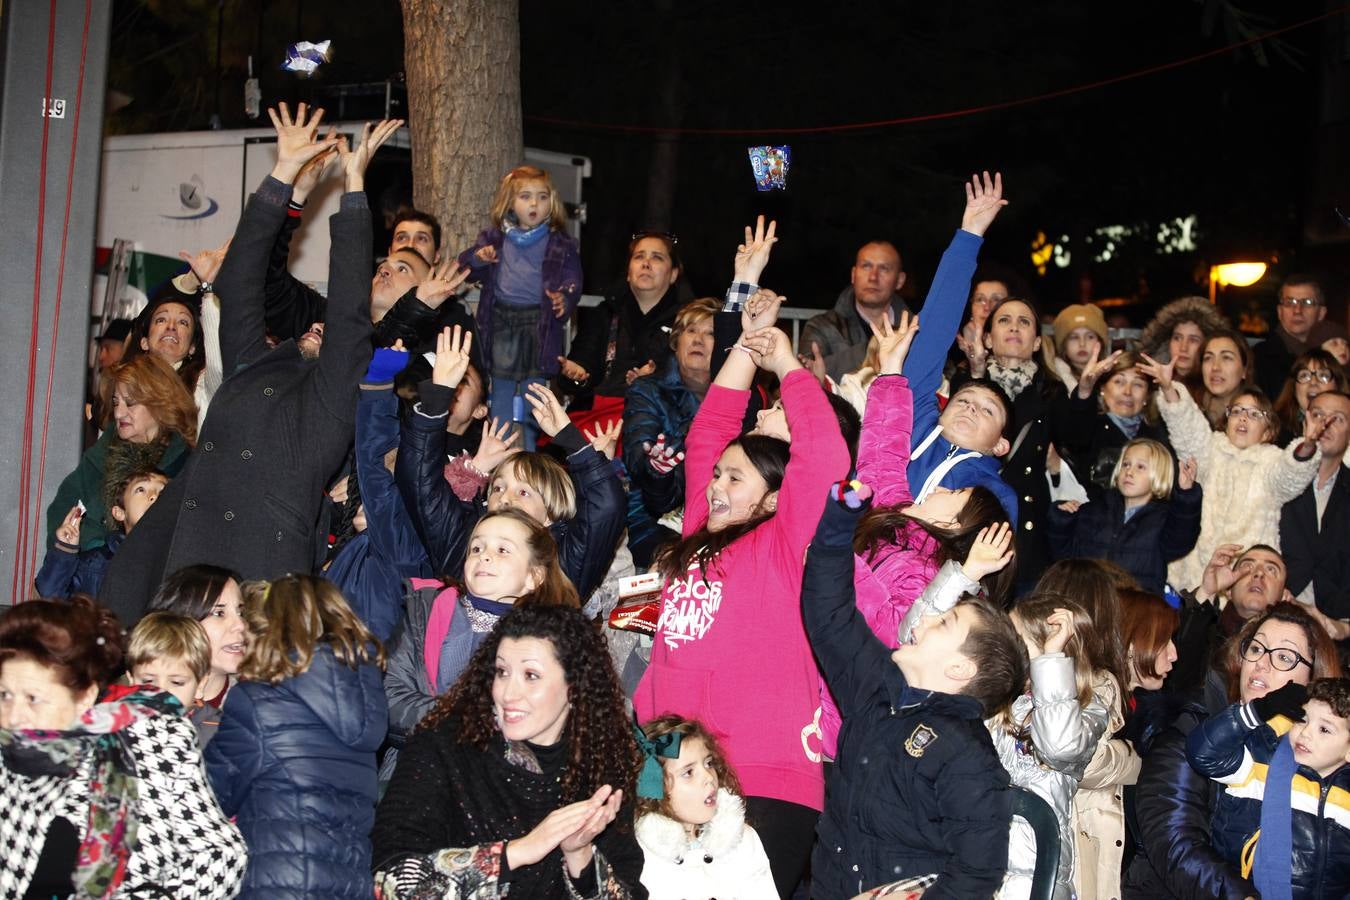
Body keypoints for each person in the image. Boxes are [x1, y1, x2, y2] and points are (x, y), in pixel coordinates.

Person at [98, 106, 400, 624]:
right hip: (181, 557)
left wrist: (354, 189)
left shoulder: (331, 398)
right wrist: (282, 173)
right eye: (313, 325)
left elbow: (350, 312)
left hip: (259, 567)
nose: (319, 327)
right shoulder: (254, 366)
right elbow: (239, 281)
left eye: (327, 332)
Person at [633, 288, 848, 896]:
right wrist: (746, 350)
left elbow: (825, 457)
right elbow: (709, 431)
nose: (716, 487)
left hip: (764, 773)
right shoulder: (699, 536)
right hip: (670, 770)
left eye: (735, 478)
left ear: (774, 498)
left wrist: (784, 363)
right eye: (716, 476)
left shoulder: (784, 541)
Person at [801, 479, 1028, 899]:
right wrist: (839, 519)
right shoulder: (876, 689)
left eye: (943, 623)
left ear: (959, 668)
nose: (922, 620)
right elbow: (829, 612)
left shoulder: (967, 755)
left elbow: (977, 874)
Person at [818, 311, 1014, 759]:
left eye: (954, 494)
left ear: (954, 525)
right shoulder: (897, 519)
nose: (939, 489)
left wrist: (834, 552)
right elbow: (882, 453)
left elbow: (897, 633)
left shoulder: (921, 567)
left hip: (835, 722)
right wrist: (890, 370)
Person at [372, 605, 646, 897]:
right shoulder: (443, 746)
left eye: (531, 675)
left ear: (574, 687)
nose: (508, 693)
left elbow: (628, 886)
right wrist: (518, 852)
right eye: (502, 672)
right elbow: (389, 880)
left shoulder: (600, 766)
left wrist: (579, 854)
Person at [0, 595, 246, 898]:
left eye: (33, 698)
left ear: (85, 697)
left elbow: (222, 856)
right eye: (4, 695)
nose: (14, 715)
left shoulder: (152, 741)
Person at [1124, 602, 1341, 898]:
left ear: (1314, 679)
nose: (1262, 663)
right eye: (1256, 649)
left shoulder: (1325, 755)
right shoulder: (1191, 728)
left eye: (1283, 657)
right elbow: (1175, 843)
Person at [395, 325, 625, 602]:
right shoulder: (462, 543)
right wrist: (437, 398)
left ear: (550, 514)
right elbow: (418, 481)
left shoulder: (559, 566)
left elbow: (606, 508)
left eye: (524, 492)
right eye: (497, 488)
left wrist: (572, 440)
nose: (505, 497)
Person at [205, 574, 387, 899]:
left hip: (277, 884)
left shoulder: (257, 701)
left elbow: (212, 796)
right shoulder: (364, 706)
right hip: (348, 885)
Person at [385, 508, 578, 747]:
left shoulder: (550, 638)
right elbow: (389, 696)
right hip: (412, 760)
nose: (484, 556)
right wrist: (467, 720)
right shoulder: (424, 609)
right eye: (476, 548)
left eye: (502, 550)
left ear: (533, 576)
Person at [264, 146, 477, 363]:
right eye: (383, 266)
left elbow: (369, 357)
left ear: (425, 290)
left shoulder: (431, 351)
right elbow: (268, 282)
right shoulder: (328, 315)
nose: (384, 270)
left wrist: (417, 308)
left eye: (403, 269)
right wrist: (295, 198)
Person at [1140, 350, 1323, 593]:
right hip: (1192, 575)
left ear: (1268, 432)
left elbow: (1291, 475)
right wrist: (1168, 388)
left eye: (1254, 414)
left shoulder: (1272, 461)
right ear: (1226, 422)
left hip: (1245, 579)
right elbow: (1188, 428)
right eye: (1236, 411)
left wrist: (1308, 445)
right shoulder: (1211, 449)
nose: (1243, 418)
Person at [897, 172, 1018, 524]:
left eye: (988, 411)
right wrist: (969, 235)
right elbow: (933, 333)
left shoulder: (995, 496)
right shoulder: (912, 426)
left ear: (1000, 445)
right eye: (963, 400)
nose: (971, 409)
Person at [1186, 674, 1350, 899]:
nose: (1305, 733)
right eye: (1302, 719)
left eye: (1324, 729)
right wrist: (1258, 711)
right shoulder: (1261, 761)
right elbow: (1203, 753)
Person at [460, 165, 582, 450]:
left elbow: (573, 278)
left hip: (538, 324)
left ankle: (530, 452)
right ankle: (499, 449)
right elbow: (466, 266)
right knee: (500, 388)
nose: (534, 204)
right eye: (525, 196)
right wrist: (479, 258)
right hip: (501, 320)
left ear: (552, 202)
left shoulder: (560, 243)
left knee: (534, 392)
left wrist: (565, 297)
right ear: (510, 203)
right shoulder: (495, 239)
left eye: (542, 197)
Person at [994, 596, 1108, 900]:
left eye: (1018, 641)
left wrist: (1052, 658)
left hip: (1032, 877)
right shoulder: (1005, 702)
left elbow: (1059, 747)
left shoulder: (1087, 709)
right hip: (981, 866)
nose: (1007, 648)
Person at [322, 341, 433, 642]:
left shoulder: (403, 546)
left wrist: (379, 387)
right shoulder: (363, 545)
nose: (385, 472)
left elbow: (376, 466)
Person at [46, 353, 194, 556]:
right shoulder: (100, 455)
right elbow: (60, 514)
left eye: (130, 403)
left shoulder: (187, 466)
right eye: (116, 402)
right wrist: (98, 549)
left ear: (161, 404)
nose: (118, 413)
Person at [633, 715, 777, 899]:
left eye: (708, 764)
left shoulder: (743, 841)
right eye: (688, 772)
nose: (709, 777)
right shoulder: (640, 854)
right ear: (654, 786)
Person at [622, 297, 719, 568]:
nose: (698, 339)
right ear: (676, 341)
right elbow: (638, 457)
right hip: (652, 512)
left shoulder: (744, 397)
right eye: (691, 330)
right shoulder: (647, 389)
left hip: (719, 509)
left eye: (710, 333)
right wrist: (658, 466)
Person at [562, 230, 684, 435]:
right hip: (598, 418)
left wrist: (655, 379)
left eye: (657, 257)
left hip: (659, 419)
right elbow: (578, 373)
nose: (646, 264)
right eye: (639, 257)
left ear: (673, 274)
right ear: (628, 272)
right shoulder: (605, 313)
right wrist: (578, 375)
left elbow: (695, 379)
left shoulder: (686, 321)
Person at [1047, 439, 1202, 593]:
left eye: (1140, 467)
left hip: (1136, 604)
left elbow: (1181, 539)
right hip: (1088, 599)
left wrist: (1186, 495)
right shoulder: (1095, 509)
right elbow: (1065, 556)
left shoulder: (1163, 519)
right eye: (1126, 464)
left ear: (1159, 475)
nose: (1129, 472)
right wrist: (1061, 520)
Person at [36, 449, 167, 599]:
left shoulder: (177, 557)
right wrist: (65, 550)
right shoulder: (96, 564)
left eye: (163, 492)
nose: (154, 496)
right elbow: (50, 595)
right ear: (119, 512)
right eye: (141, 489)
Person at [145, 563, 247, 746]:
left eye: (241, 612)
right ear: (180, 623)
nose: (240, 625)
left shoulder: (258, 708)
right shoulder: (127, 704)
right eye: (219, 613)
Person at [1052, 350, 1172, 492]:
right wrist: (1085, 390)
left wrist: (1169, 389)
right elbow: (1075, 437)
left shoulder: (1158, 433)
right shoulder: (1089, 427)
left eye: (1138, 384)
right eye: (1119, 382)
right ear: (1103, 388)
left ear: (1147, 396)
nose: (1127, 392)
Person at [1281, 390, 1350, 622]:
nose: (1324, 425)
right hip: (1275, 608)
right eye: (1318, 415)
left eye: (1337, 419)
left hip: (1334, 620)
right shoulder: (1280, 476)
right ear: (1305, 424)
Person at [800, 239, 909, 382]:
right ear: (853, 274)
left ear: (900, 280)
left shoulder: (917, 332)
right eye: (866, 266)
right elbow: (804, 382)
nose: (873, 277)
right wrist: (876, 350)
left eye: (884, 268)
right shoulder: (821, 327)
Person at [1252, 275, 1328, 400]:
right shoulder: (1259, 358)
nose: (1297, 310)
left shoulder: (1332, 356)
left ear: (1321, 313)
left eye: (1307, 302)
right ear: (1279, 311)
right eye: (1289, 302)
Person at [126, 610, 212, 713]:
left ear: (200, 686)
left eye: (176, 682)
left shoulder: (215, 723)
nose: (161, 691)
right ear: (131, 681)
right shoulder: (116, 719)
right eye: (148, 681)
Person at [1272, 347, 1347, 442]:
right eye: (1304, 375)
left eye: (1323, 375)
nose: (1313, 382)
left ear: (1338, 385)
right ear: (1294, 387)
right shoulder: (1275, 429)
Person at [1195, 329, 1252, 429]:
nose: (1215, 367)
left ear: (1244, 370)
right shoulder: (1186, 407)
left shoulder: (1257, 418)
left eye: (1226, 357)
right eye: (1208, 358)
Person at [1045, 302, 1110, 391]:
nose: (1082, 344)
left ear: (1100, 342)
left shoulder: (1110, 378)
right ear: (1063, 345)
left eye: (1090, 337)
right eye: (1074, 337)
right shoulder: (1053, 382)